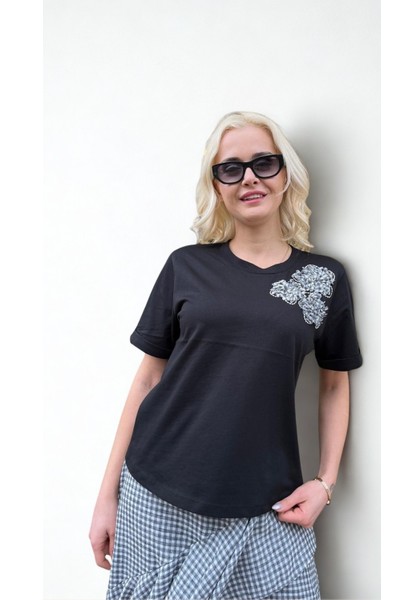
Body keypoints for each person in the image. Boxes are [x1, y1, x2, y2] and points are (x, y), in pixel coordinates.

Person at [89, 110, 363, 600]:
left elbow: (334, 384)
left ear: (286, 174)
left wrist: (325, 483)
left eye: (264, 163)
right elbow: (147, 380)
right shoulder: (186, 266)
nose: (249, 178)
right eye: (231, 169)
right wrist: (107, 496)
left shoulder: (324, 278)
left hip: (266, 501)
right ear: (216, 186)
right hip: (157, 492)